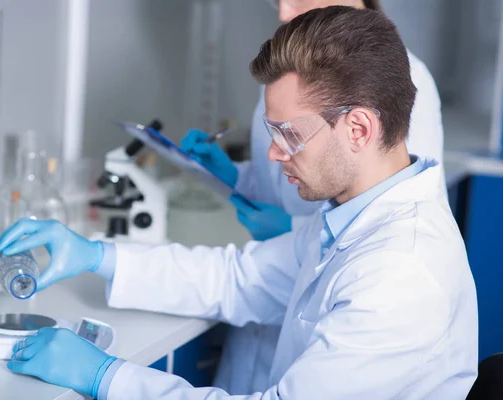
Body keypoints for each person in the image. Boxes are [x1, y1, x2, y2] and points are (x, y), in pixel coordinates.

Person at [0, 7, 477, 399]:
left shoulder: (402, 273)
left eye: (288, 134)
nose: (272, 153)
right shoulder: (356, 214)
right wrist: (97, 255)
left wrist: (107, 377)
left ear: (359, 129)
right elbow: (239, 279)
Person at [180, 0, 444, 393]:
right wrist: (235, 174)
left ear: (359, 127)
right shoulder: (293, 75)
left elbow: (375, 184)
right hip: (280, 298)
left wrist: (112, 379)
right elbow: (291, 170)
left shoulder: (393, 270)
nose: (284, 12)